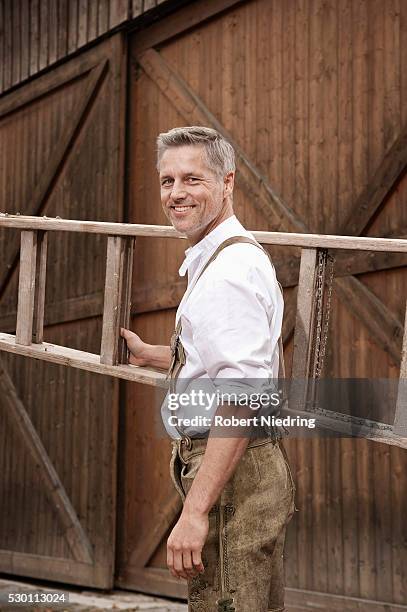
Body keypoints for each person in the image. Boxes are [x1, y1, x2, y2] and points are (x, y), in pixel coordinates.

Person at [121, 126, 295, 611]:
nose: (176, 194)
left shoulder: (227, 273)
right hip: (239, 470)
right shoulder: (218, 256)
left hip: (233, 476)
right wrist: (160, 355)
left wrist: (195, 512)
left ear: (227, 183)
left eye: (193, 179)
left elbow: (239, 397)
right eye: (166, 180)